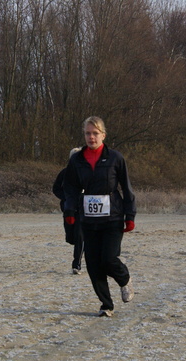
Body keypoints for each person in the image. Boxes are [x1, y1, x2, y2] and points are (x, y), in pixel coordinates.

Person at [63, 116, 136, 317]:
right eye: (88, 133)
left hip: (112, 217)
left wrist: (130, 215)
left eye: (95, 133)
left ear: (103, 135)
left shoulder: (115, 158)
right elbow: (69, 187)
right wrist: (70, 210)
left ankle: (124, 279)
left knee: (109, 258)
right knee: (94, 264)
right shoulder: (76, 160)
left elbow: (127, 188)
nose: (91, 137)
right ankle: (106, 305)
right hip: (88, 219)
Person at [53, 148, 84, 274]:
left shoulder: (86, 173)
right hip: (68, 209)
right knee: (71, 237)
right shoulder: (64, 173)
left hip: (82, 209)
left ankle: (76, 264)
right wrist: (67, 198)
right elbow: (55, 189)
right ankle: (77, 243)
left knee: (80, 236)